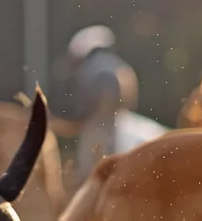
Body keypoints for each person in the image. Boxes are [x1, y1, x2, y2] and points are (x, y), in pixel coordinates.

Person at [49, 25, 138, 182]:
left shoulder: (93, 69)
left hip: (96, 127)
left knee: (92, 173)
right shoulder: (119, 66)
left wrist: (70, 120)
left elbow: (84, 107)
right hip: (115, 125)